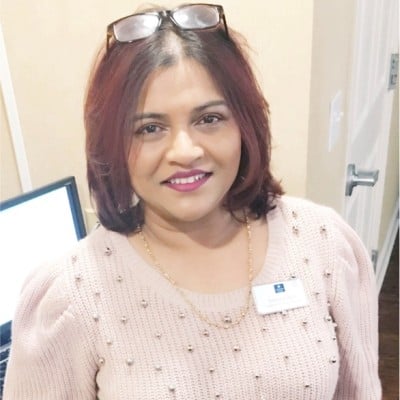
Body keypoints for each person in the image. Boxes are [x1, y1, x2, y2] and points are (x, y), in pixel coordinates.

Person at [3, 3, 381, 399]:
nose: (185, 151)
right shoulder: (70, 295)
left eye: (209, 119)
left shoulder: (323, 243)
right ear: (112, 144)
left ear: (245, 125)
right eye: (150, 128)